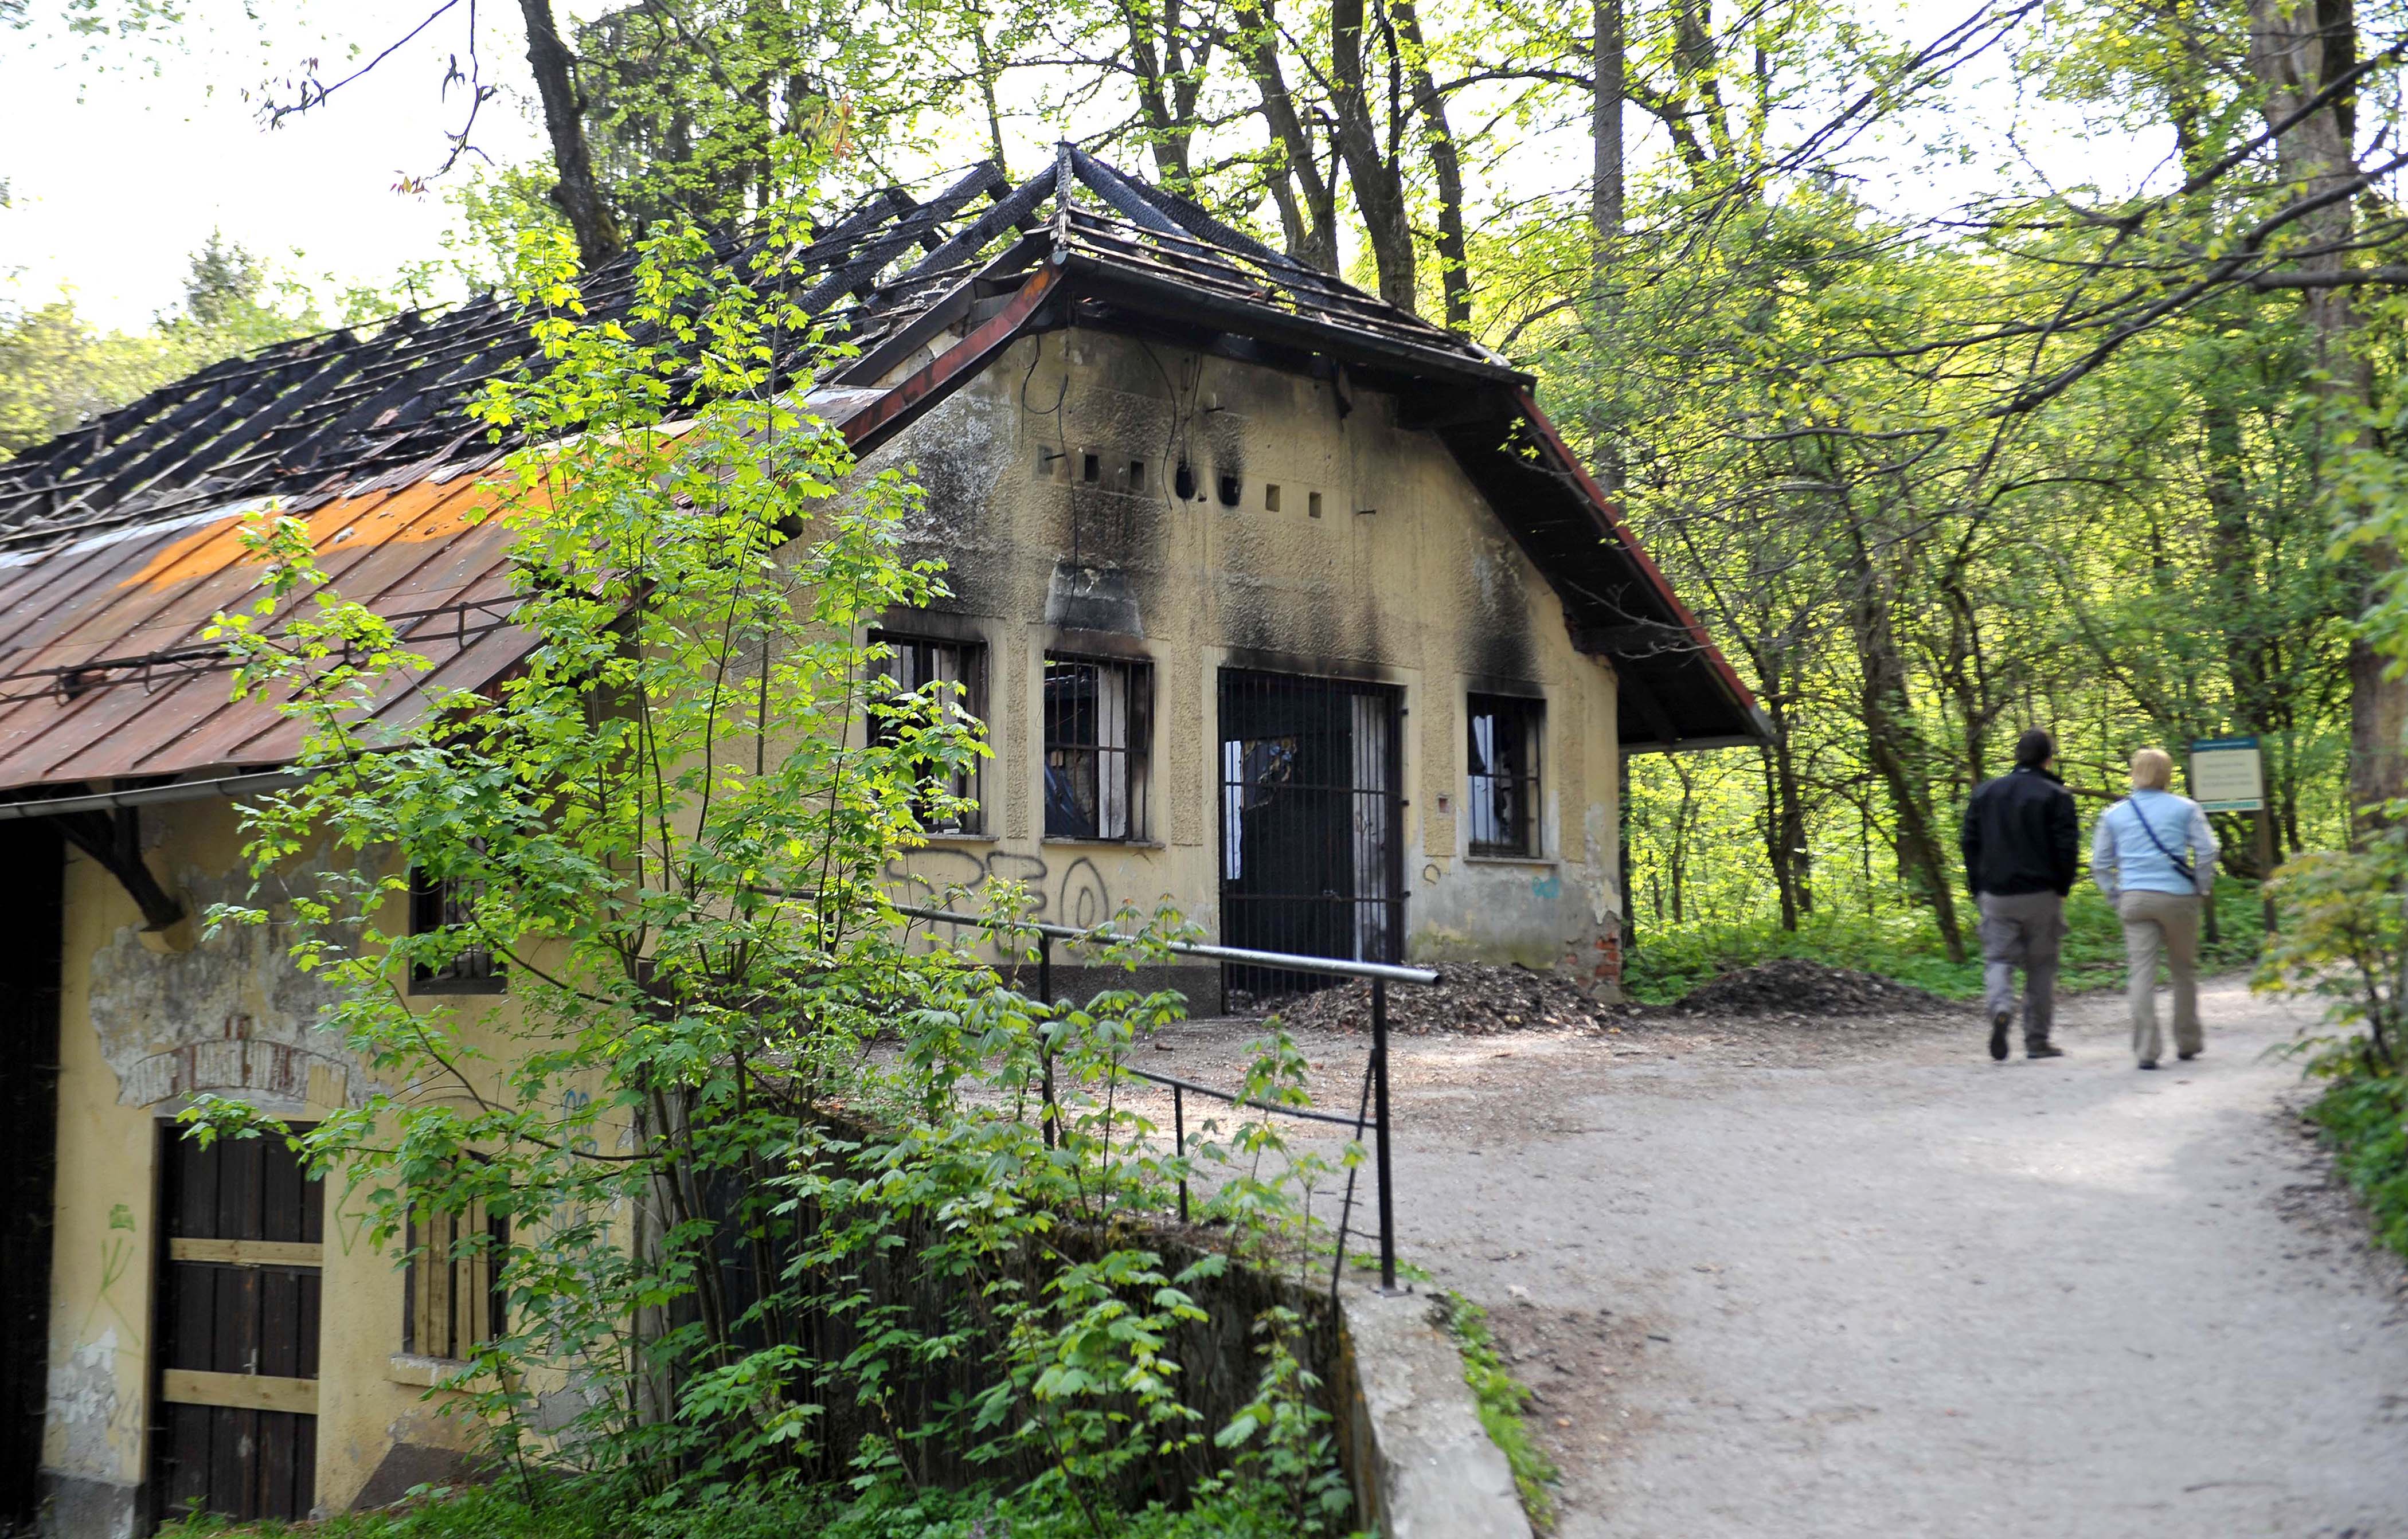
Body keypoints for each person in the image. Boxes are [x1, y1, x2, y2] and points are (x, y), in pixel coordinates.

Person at [2093, 747, 2219, 1070]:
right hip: (2178, 897)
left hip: (2135, 898)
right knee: (2183, 970)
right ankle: (2188, 1042)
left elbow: (2100, 864)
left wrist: (2115, 896)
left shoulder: (2115, 813)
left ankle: (2147, 1051)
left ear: (2135, 773)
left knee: (2141, 974)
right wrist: (2202, 886)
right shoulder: (2185, 808)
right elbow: (2208, 850)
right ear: (2168, 774)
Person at [1960, 728, 2080, 1063]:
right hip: (2042, 894)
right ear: (2048, 758)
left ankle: (2000, 1008)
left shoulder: (1986, 792)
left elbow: (1969, 842)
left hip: (1996, 894)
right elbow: (2066, 847)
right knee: (2041, 967)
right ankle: (2037, 1041)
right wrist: (2062, 888)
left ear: (2017, 756)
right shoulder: (2056, 794)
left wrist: (1977, 886)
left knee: (1999, 959)